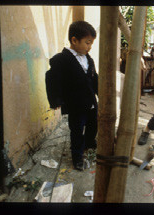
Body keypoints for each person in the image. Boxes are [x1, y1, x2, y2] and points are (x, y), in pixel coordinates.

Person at [48, 21, 98, 171]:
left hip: (90, 102)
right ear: (74, 40)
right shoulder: (61, 60)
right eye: (87, 43)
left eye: (91, 43)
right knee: (77, 130)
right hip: (76, 104)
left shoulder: (88, 58)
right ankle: (77, 156)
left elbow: (94, 77)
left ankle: (90, 144)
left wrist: (101, 91)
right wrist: (55, 99)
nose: (89, 47)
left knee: (93, 125)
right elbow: (52, 80)